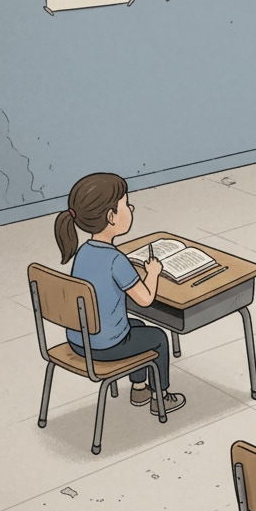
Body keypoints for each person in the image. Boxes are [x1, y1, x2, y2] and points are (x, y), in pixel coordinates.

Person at [53, 172, 185, 414]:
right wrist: (153, 272)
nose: (131, 207)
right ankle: (160, 397)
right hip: (104, 348)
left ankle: (139, 389)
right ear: (111, 216)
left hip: (79, 340)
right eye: (126, 203)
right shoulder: (116, 259)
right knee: (158, 338)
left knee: (136, 324)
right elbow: (145, 299)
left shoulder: (83, 252)